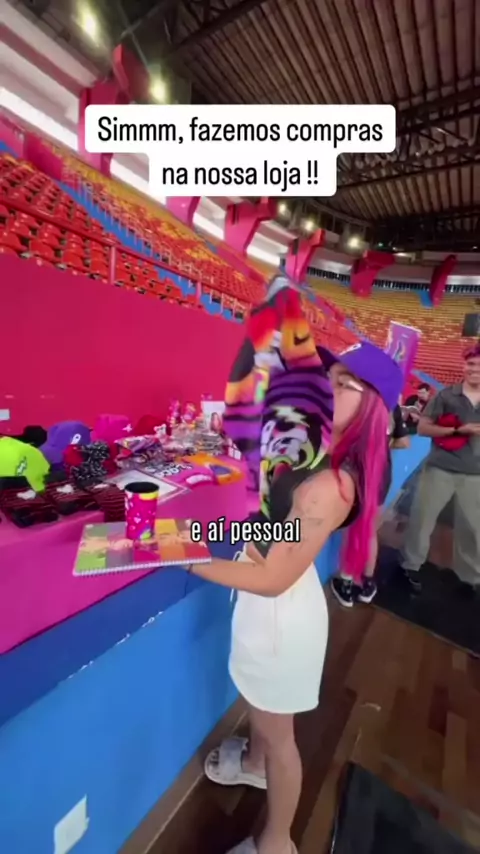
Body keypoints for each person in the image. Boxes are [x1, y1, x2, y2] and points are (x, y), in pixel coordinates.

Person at [185, 341, 403, 854]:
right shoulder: (325, 452)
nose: (325, 388)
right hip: (277, 603)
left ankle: (277, 842)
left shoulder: (330, 485)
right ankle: (255, 765)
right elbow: (281, 534)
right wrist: (206, 533)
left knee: (281, 741)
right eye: (330, 377)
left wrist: (181, 556)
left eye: (344, 384)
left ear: (373, 407)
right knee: (267, 719)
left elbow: (273, 578)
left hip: (280, 616)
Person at [401, 345, 480, 592]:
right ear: (464, 366)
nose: (474, 369)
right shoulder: (446, 396)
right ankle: (410, 565)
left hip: (475, 475)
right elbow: (423, 428)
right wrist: (457, 430)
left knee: (473, 529)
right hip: (440, 468)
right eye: (470, 364)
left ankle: (469, 577)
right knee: (422, 520)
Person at [331, 398, 410, 607]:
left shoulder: (355, 401)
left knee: (354, 530)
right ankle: (366, 582)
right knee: (369, 530)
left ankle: (346, 582)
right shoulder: (392, 406)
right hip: (381, 474)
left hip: (356, 474)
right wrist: (383, 446)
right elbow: (404, 442)